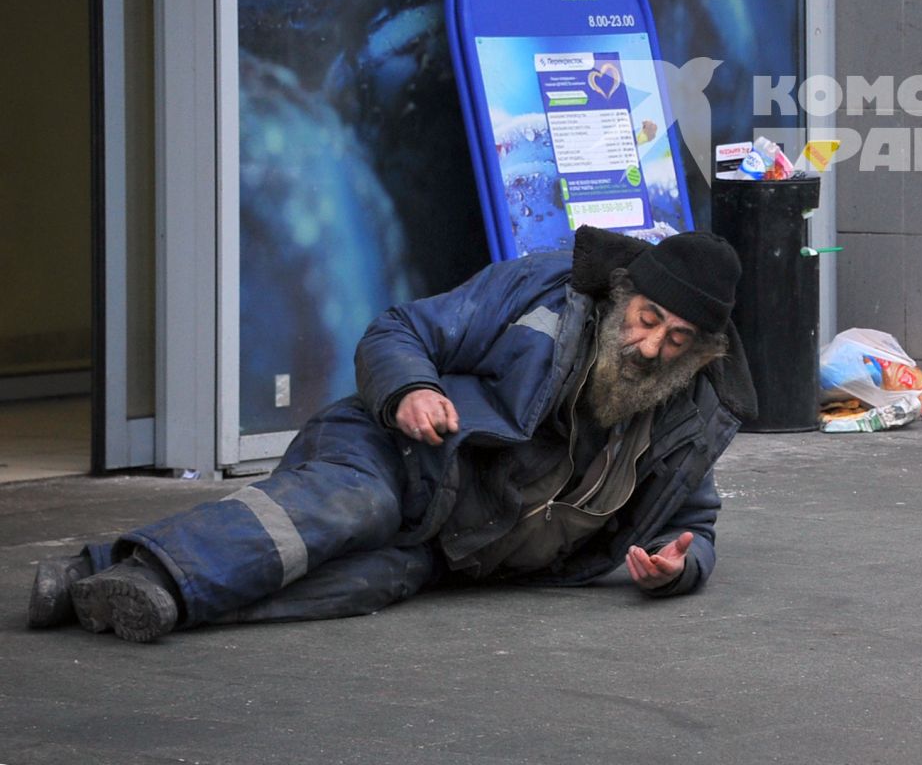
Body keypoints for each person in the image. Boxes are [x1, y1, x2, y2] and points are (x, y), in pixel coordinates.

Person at [26, 226, 757, 642]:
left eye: (677, 338)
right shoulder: (545, 297)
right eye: (648, 320)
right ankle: (147, 571)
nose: (652, 346)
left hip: (447, 550)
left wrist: (678, 567)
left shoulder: (685, 420)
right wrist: (412, 388)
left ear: (699, 351)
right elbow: (401, 329)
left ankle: (125, 585)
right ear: (626, 296)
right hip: (396, 456)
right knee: (353, 510)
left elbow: (694, 525)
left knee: (359, 581)